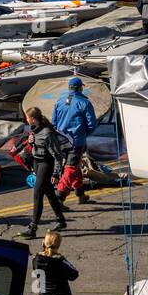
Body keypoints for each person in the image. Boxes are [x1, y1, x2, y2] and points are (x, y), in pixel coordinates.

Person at [16, 106, 68, 239]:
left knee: (37, 193)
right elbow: (36, 147)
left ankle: (33, 227)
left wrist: (56, 174)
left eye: (27, 118)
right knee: (49, 192)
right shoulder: (34, 130)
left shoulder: (47, 132)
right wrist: (31, 143)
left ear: (33, 119)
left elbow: (57, 155)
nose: (26, 120)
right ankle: (61, 220)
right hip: (37, 162)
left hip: (46, 163)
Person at [53, 77, 98, 206]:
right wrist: (84, 135)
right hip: (77, 142)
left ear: (69, 88)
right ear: (80, 88)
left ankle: (80, 194)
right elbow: (92, 124)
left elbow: (54, 123)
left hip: (61, 141)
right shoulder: (84, 102)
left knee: (75, 166)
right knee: (71, 169)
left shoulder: (59, 101)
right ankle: (60, 198)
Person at [32, 231, 79, 295]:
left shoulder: (36, 259)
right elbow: (74, 274)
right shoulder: (59, 262)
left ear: (43, 243)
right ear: (58, 245)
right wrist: (63, 259)